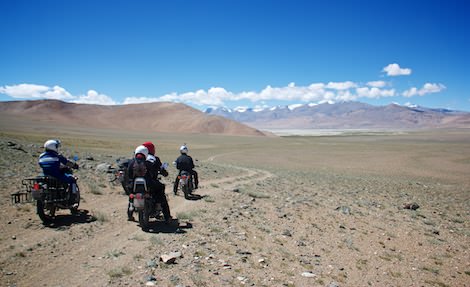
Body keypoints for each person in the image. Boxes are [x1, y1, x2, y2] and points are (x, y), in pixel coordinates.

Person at [38, 139, 79, 206]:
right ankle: (72, 199)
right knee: (72, 180)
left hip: (44, 175)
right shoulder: (57, 156)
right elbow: (67, 162)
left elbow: (42, 164)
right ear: (54, 147)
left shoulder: (41, 156)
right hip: (56, 175)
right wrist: (75, 165)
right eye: (57, 146)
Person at [142, 141, 172, 223]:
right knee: (161, 192)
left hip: (139, 183)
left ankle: (130, 213)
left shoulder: (138, 158)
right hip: (151, 182)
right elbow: (162, 170)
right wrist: (165, 173)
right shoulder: (155, 159)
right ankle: (167, 217)